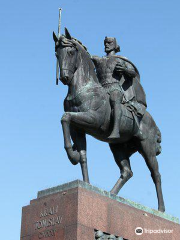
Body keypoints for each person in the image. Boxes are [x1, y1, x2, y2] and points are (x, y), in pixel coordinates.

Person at [92, 37, 147, 140]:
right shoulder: (99, 59)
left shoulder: (120, 59)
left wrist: (125, 69)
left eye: (109, 43)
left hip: (114, 87)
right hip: (101, 88)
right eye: (105, 43)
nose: (106, 45)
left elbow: (133, 73)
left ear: (115, 45)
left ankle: (116, 130)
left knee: (115, 97)